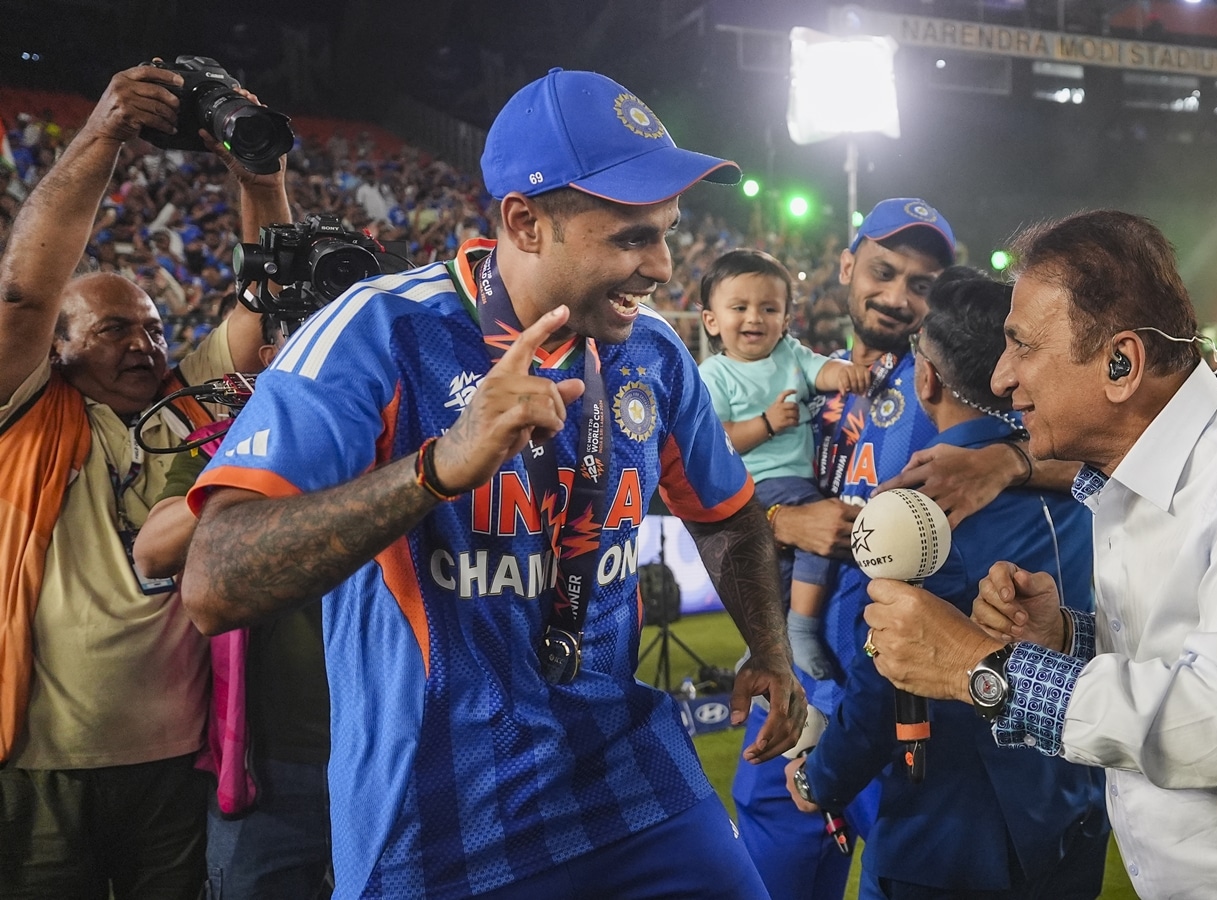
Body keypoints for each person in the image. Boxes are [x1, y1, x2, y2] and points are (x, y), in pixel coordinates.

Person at [179, 68, 804, 900]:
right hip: (437, 817)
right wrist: (434, 470)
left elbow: (728, 516)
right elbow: (215, 580)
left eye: (668, 231)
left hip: (632, 785)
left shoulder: (653, 352)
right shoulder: (377, 333)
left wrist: (768, 648)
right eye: (629, 237)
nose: (662, 265)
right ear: (525, 221)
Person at [860, 210, 1217, 899]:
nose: (1003, 377)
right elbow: (1194, 653)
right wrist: (1068, 638)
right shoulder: (1129, 478)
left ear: (1121, 362)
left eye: (1023, 345)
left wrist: (981, 668)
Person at [738, 198, 1083, 900]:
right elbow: (704, 491)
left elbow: (1095, 456)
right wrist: (781, 521)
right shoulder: (804, 381)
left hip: (889, 701)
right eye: (883, 271)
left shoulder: (963, 392)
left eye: (921, 285)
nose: (897, 297)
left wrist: (1009, 461)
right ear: (846, 267)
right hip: (801, 681)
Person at [0, 64, 282, 899]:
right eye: (114, 328)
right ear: (60, 347)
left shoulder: (189, 400)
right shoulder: (23, 410)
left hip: (181, 762)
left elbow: (270, 314)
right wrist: (101, 137)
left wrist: (260, 179)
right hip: (41, 765)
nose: (145, 344)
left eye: (155, 327)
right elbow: (23, 294)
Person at [134, 313, 335, 900]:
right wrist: (267, 465)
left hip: (394, 745)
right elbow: (153, 551)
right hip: (273, 759)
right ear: (270, 360)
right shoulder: (231, 444)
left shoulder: (411, 434)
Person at [697, 249, 870, 680]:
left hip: (794, 482)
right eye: (739, 307)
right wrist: (766, 424)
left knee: (782, 574)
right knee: (817, 543)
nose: (754, 317)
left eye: (768, 308)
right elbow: (717, 440)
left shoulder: (790, 354)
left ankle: (765, 650)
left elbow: (821, 370)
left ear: (786, 320)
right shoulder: (713, 374)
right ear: (711, 320)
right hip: (756, 488)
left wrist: (845, 373)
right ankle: (802, 629)